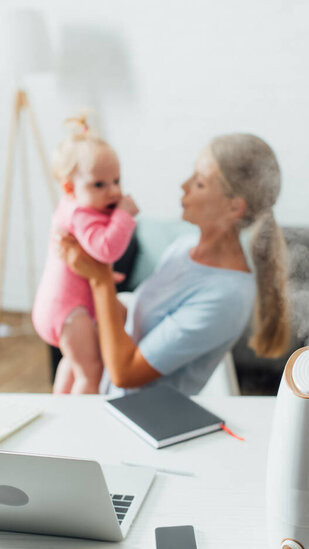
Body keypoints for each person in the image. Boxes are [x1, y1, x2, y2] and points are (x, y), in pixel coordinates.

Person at [57, 133, 290, 396]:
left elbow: (126, 374)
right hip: (105, 399)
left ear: (234, 207)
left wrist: (100, 279)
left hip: (143, 424)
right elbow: (138, 323)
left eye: (199, 183)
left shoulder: (227, 297)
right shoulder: (183, 248)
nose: (183, 185)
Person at [32, 116, 138, 394]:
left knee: (75, 363)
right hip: (69, 310)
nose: (113, 190)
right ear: (70, 187)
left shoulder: (74, 205)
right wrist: (124, 216)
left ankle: (59, 409)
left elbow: (89, 255)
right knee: (90, 372)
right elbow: (105, 247)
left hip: (64, 305)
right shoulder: (80, 212)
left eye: (116, 180)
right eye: (99, 185)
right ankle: (81, 425)